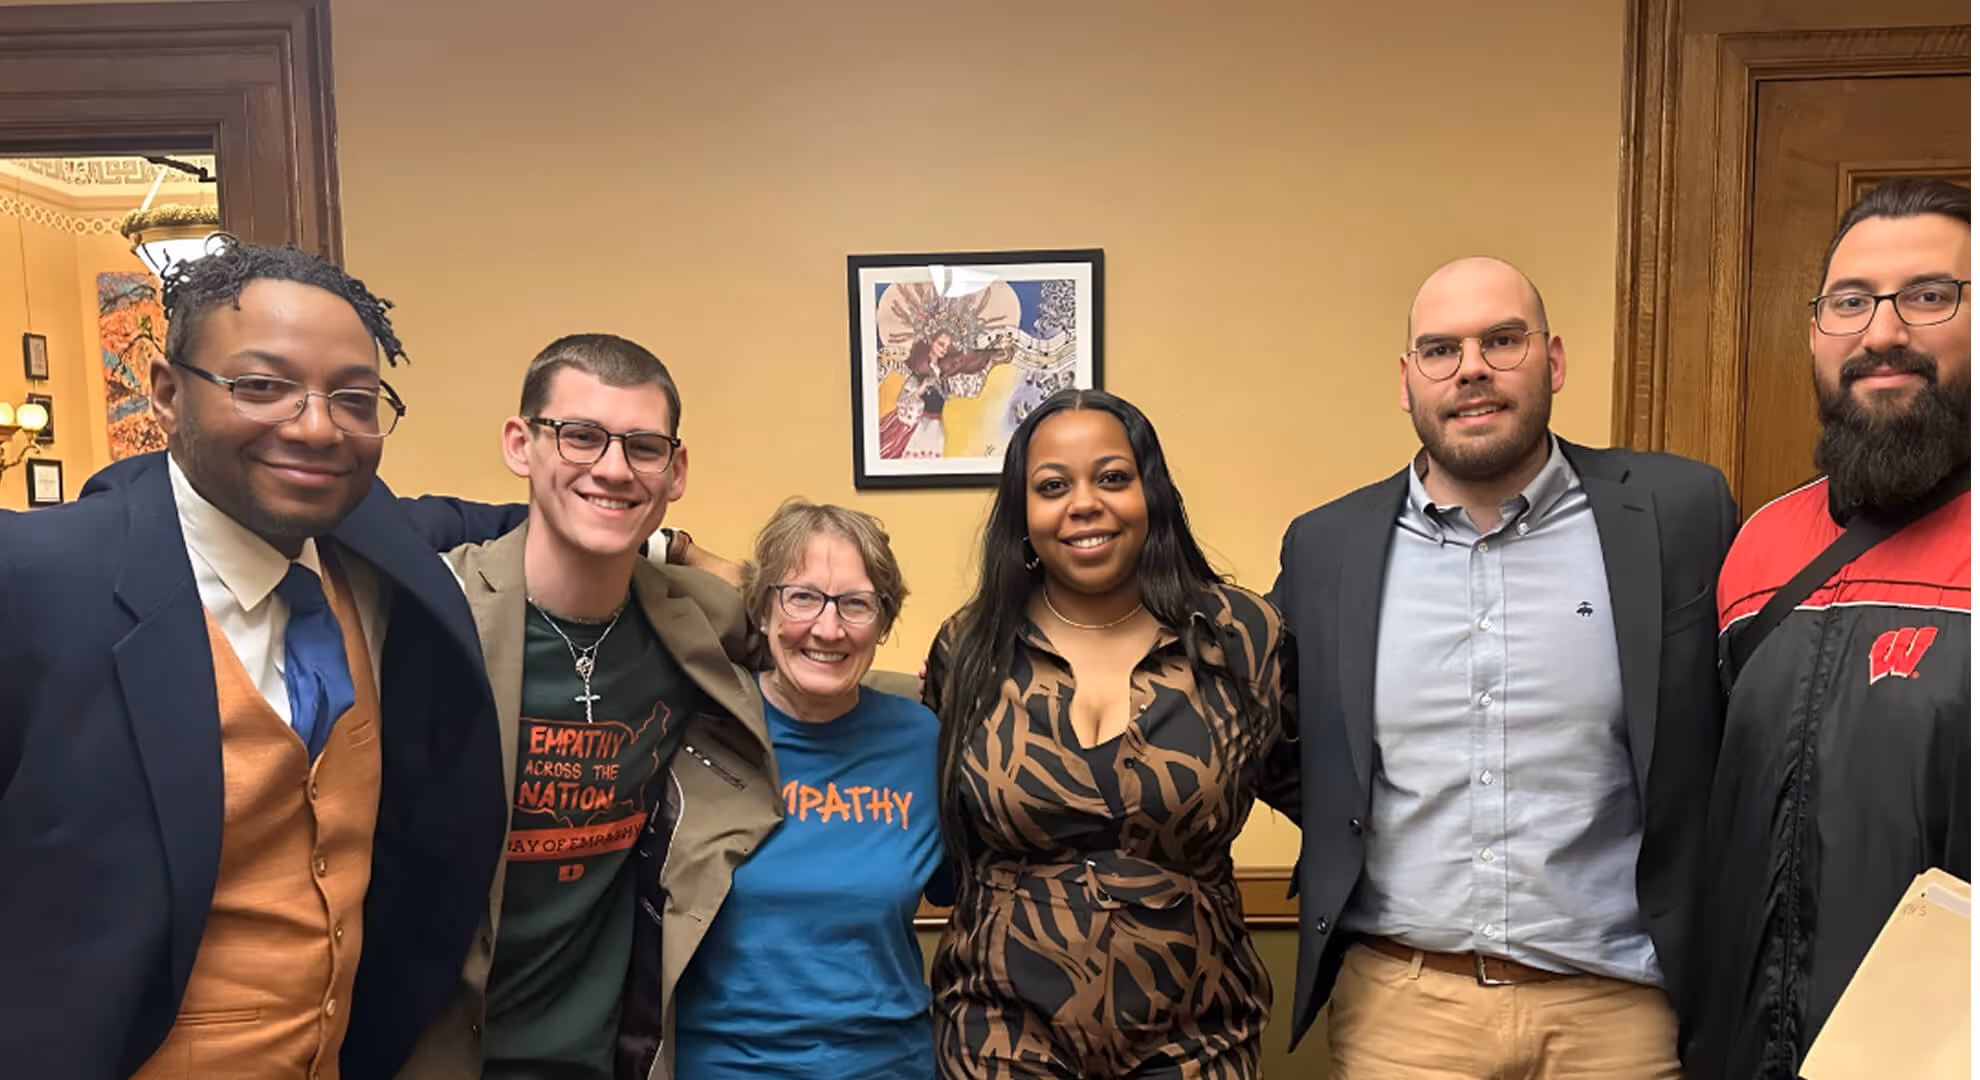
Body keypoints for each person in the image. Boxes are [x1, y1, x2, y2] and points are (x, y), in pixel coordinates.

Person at [0, 238, 514, 1080]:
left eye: (353, 398)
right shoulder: (34, 581)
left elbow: (481, 521)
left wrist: (675, 548)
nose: (316, 427)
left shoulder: (372, 547)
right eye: (262, 387)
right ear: (167, 395)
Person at [1273, 257, 1737, 1077]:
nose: (1472, 368)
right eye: (1441, 350)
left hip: (1619, 1011)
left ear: (1552, 360)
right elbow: (1281, 738)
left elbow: (1740, 720)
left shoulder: (1679, 512)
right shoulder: (1327, 547)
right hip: (1406, 1011)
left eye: (1502, 340)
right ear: (1408, 380)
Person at [395, 334, 781, 1080]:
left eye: (643, 447)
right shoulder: (428, 613)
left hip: (604, 1056)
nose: (613, 467)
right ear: (521, 444)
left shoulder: (696, 619)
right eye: (580, 437)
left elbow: (811, 634)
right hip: (432, 1050)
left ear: (676, 469)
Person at [923, 388, 1300, 1080]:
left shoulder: (1242, 639)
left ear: (1150, 493)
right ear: (1023, 514)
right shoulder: (970, 647)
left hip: (1196, 1035)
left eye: (1113, 478)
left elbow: (1333, 798)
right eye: (1052, 486)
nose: (1084, 503)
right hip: (998, 1033)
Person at [1682, 178, 1971, 1080]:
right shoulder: (1757, 547)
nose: (1883, 333)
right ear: (1816, 333)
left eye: (1930, 296)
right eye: (1851, 302)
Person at [673, 498, 946, 1079]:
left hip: (889, 1065)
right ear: (764, 612)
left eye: (856, 604)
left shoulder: (923, 738)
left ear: (883, 622)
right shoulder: (700, 728)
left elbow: (968, 890)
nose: (828, 628)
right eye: (801, 597)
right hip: (725, 1065)